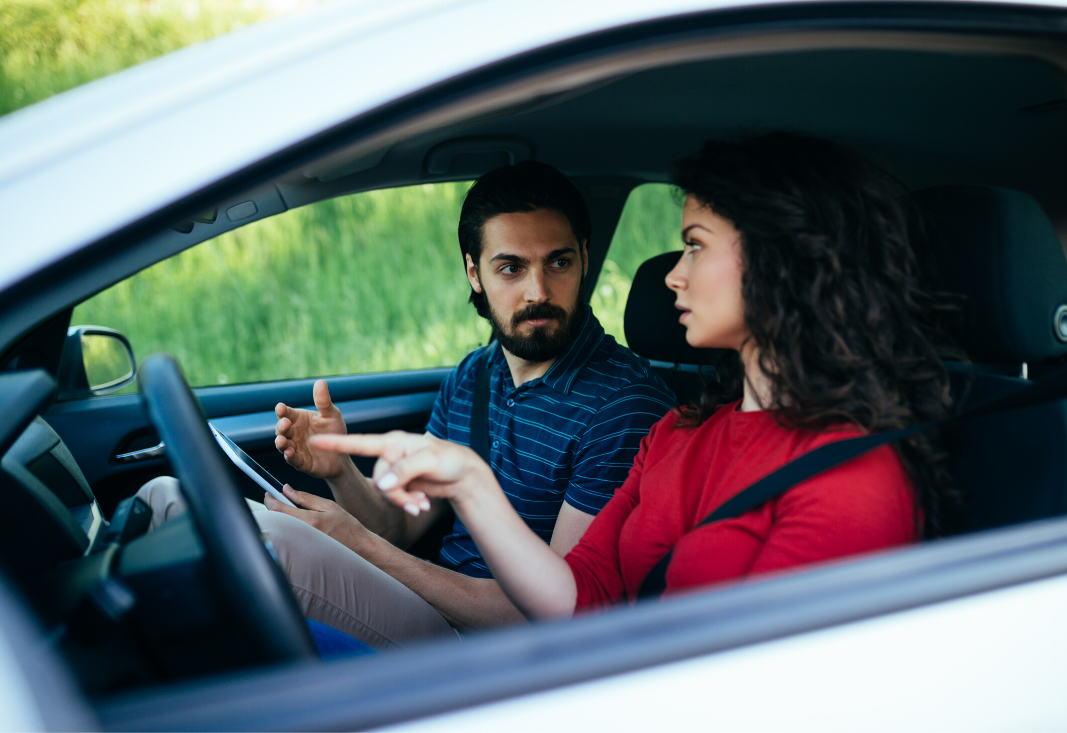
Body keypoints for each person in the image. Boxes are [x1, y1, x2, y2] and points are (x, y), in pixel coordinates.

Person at [305, 133, 958, 618]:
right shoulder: (679, 432)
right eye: (510, 267)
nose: (672, 274)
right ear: (474, 274)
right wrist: (468, 480)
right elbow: (578, 599)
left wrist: (368, 543)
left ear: (782, 261)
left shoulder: (851, 480)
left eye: (695, 245)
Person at [187, 160, 674, 647]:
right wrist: (340, 471)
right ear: (474, 273)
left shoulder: (624, 408)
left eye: (558, 263)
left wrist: (357, 543)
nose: (538, 291)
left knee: (273, 551)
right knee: (178, 504)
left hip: (499, 651)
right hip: (435, 610)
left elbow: (558, 615)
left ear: (584, 258)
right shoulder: (472, 376)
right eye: (511, 268)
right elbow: (401, 525)